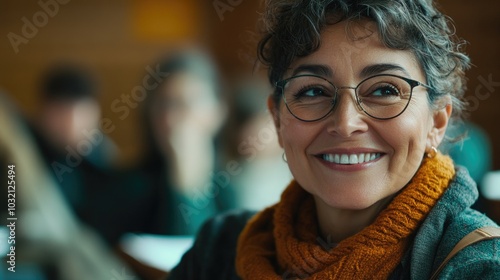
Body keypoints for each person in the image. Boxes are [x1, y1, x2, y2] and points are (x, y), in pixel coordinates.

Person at [167, 0, 500, 279]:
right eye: (313, 91)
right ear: (277, 120)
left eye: (384, 90)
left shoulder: (479, 267)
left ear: (437, 120)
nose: (345, 123)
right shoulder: (218, 252)